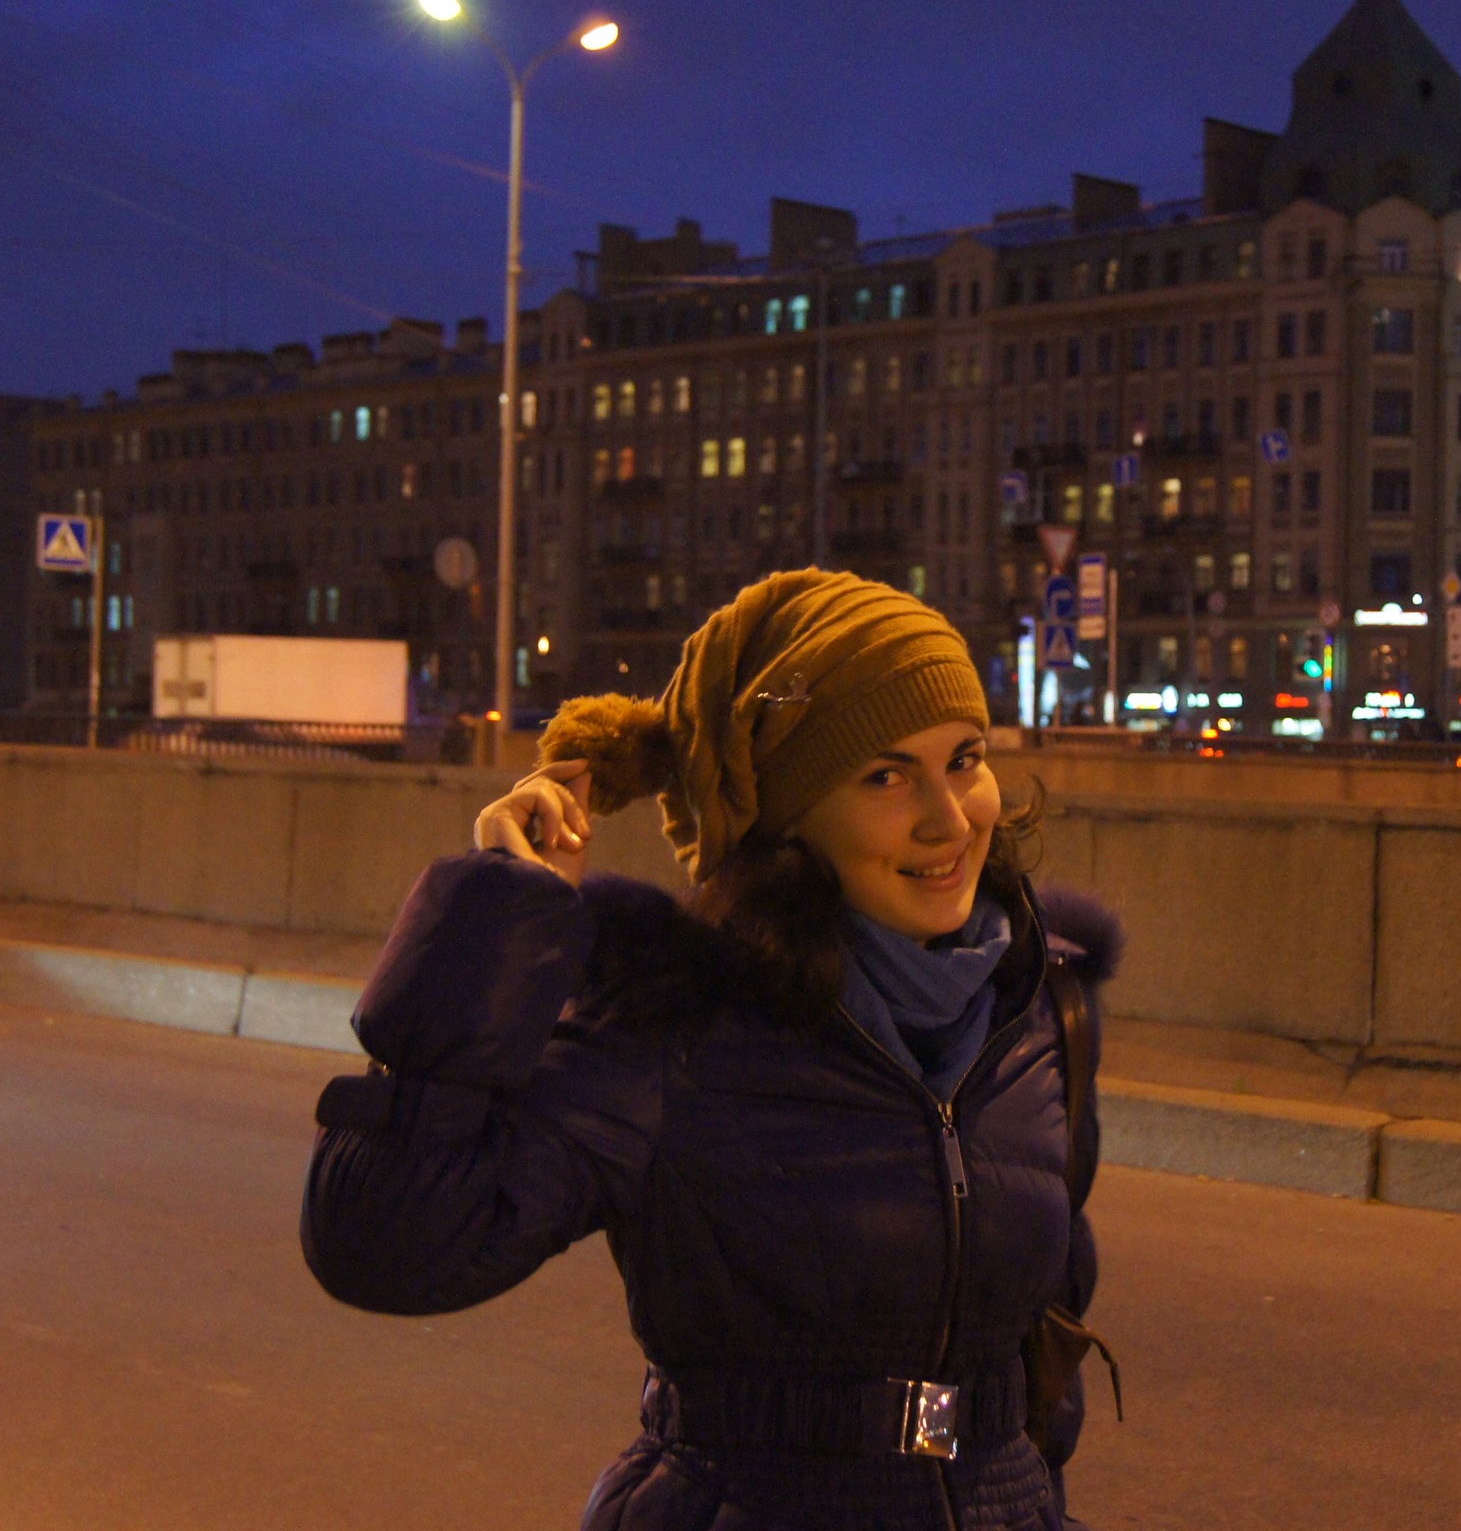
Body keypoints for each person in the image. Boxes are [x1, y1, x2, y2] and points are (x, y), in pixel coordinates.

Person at [301, 570, 1119, 1531]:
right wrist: (497, 922)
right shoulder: (676, 1022)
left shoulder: (1038, 1011)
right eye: (886, 776)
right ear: (783, 815)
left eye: (965, 759)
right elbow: (384, 1246)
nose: (951, 818)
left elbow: (1044, 1341)